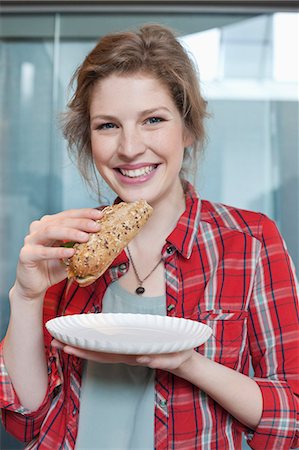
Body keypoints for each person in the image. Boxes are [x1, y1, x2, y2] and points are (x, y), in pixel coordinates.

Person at [0, 24, 298, 450]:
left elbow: (291, 416)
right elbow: (27, 417)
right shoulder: (69, 246)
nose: (130, 147)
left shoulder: (249, 241)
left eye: (153, 120)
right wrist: (26, 297)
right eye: (107, 126)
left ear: (188, 128)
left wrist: (188, 363)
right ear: (88, 139)